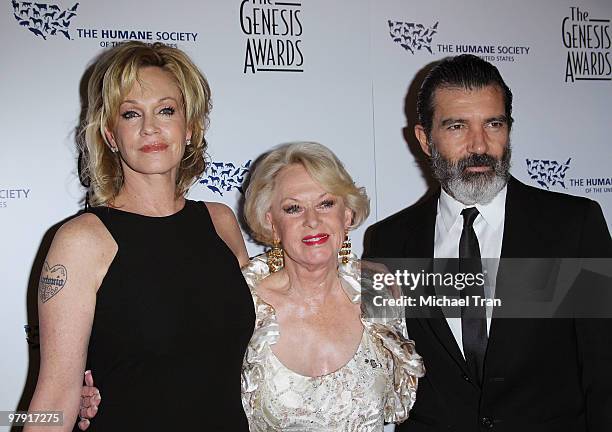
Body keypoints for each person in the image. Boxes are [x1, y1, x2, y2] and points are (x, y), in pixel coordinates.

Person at [80, 142, 425, 431]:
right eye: (293, 209)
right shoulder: (240, 299)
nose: (312, 220)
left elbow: (421, 387)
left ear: (347, 215)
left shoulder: (381, 288)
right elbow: (173, 368)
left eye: (326, 203)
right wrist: (95, 391)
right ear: (271, 224)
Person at [364, 54, 612, 431]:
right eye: (457, 126)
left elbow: (605, 366)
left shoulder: (574, 226)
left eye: (493, 123)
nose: (479, 145)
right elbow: (377, 369)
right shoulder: (387, 240)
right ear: (424, 139)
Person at [26, 42, 254, 431]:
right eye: (131, 114)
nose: (150, 128)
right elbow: (54, 398)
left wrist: (362, 280)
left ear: (190, 127)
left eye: (166, 110)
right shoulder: (82, 241)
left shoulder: (220, 223)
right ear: (112, 136)